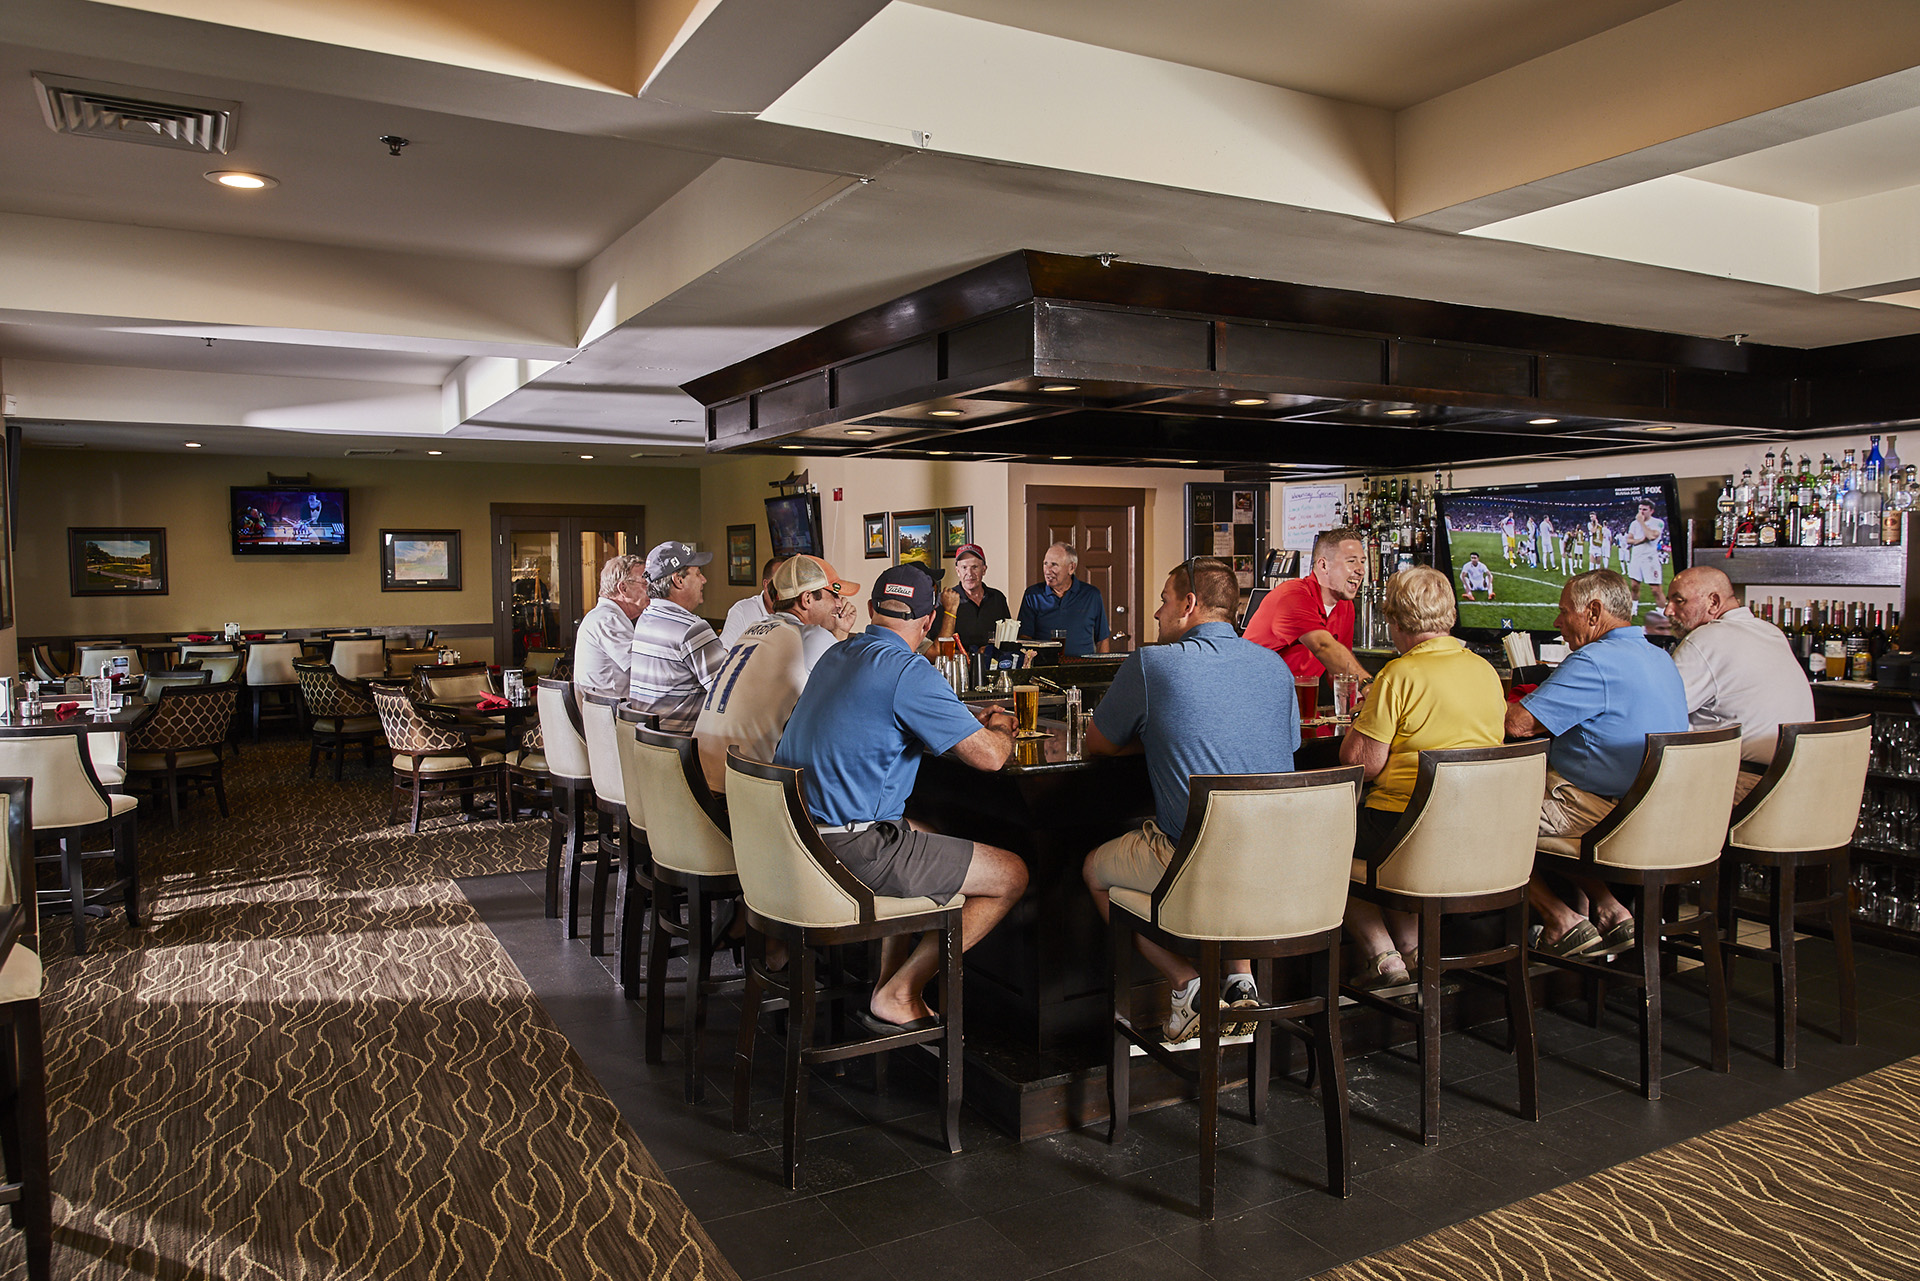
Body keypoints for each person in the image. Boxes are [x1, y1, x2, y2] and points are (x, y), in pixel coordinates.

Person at [775, 565, 1029, 1030]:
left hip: (795, 840)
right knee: (1011, 874)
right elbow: (991, 758)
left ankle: (885, 979)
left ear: (873, 609)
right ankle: (901, 992)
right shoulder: (908, 670)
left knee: (924, 829)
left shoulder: (838, 651)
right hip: (850, 850)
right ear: (929, 620)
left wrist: (957, 717)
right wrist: (998, 727)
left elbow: (881, 709)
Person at [1082, 556, 1300, 1042]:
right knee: (1236, 844)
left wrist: (1156, 733)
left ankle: (1188, 986)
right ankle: (1240, 982)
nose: (1157, 613)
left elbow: (1098, 744)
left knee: (1094, 871)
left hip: (1197, 864)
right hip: (1277, 866)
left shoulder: (1152, 664)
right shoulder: (1276, 666)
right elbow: (1277, 749)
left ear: (1189, 604)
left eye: (1163, 601)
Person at [1505, 570, 1688, 957]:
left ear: (1593, 611)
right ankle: (1609, 910)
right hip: (1660, 815)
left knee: (1480, 811)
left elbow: (1517, 724)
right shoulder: (1660, 656)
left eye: (1563, 611)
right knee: (1543, 803)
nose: (1557, 622)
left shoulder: (1592, 661)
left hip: (1605, 815)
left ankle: (1560, 920)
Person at [1340, 567, 1506, 986]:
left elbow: (1361, 764)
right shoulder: (1485, 671)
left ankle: (1383, 956)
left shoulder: (1398, 675)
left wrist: (1362, 717)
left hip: (1409, 832)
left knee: (1319, 843)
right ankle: (1413, 950)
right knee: (1389, 845)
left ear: (1394, 621)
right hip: (1476, 829)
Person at [694, 555, 857, 793]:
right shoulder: (810, 636)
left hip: (700, 777)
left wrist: (836, 633)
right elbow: (846, 700)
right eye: (834, 595)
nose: (840, 604)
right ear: (807, 599)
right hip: (740, 789)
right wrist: (838, 634)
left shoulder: (754, 628)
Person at [1666, 565, 1813, 801]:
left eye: (1679, 601)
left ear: (1713, 602)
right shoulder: (1770, 631)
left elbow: (1662, 712)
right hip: (1794, 785)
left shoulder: (1705, 639)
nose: (1668, 610)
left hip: (1742, 785)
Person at [1243, 526, 1370, 686]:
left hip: (1296, 698)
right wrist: (1368, 685)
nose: (1361, 570)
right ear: (1323, 565)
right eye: (1351, 561)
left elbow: (1339, 670)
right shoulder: (1293, 596)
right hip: (1253, 695)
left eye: (1362, 561)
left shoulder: (1345, 607)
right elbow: (1322, 646)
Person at [628, 540, 726, 733]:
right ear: (678, 580)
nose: (704, 580)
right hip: (682, 744)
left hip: (647, 742)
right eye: (697, 573)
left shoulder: (645, 619)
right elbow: (727, 692)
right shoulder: (693, 628)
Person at [572, 553, 648, 698]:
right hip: (611, 710)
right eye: (645, 584)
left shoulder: (601, 616)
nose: (651, 590)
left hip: (602, 706)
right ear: (623, 588)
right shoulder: (609, 619)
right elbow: (644, 669)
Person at [1017, 542, 1110, 655]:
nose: (1047, 571)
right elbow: (1025, 638)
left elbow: (1102, 640)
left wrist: (1103, 665)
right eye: (1045, 564)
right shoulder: (1032, 595)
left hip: (1083, 665)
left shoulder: (1092, 595)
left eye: (1054, 565)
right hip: (1045, 665)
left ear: (1071, 568)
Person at [935, 543, 1012, 653]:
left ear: (984, 570)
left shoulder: (997, 598)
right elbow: (937, 645)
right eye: (964, 568)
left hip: (993, 661)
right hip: (958, 662)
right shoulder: (945, 599)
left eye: (974, 567)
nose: (969, 573)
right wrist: (969, 656)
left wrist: (990, 652)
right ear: (957, 571)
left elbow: (1008, 640)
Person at [719, 557, 781, 650]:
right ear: (766, 584)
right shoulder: (742, 611)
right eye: (780, 582)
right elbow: (725, 651)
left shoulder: (796, 611)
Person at [1623, 499, 1669, 617]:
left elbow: (1651, 537)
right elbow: (1629, 540)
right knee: (1634, 586)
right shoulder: (1634, 524)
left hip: (1650, 559)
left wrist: (1641, 522)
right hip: (1636, 557)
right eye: (1640, 509)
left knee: (1655, 589)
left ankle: (1662, 612)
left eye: (1644, 509)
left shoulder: (1658, 523)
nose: (1641, 512)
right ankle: (1634, 608)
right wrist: (1640, 540)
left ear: (1651, 511)